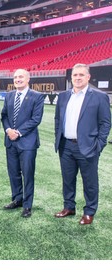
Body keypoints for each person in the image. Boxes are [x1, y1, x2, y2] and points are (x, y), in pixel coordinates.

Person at [54, 63, 111, 225]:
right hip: (66, 146)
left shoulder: (99, 97)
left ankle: (89, 212)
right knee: (68, 180)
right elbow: (58, 119)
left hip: (88, 147)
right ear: (71, 77)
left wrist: (99, 145)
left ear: (88, 77)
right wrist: (59, 139)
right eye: (75, 75)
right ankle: (69, 207)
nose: (77, 78)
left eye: (81, 75)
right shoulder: (64, 96)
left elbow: (106, 123)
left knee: (90, 182)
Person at [1, 69, 45, 218]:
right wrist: (8, 130)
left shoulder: (37, 96)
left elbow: (36, 119)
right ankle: (17, 199)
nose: (17, 79)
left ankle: (27, 205)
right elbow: (4, 115)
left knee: (27, 174)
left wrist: (18, 132)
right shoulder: (9, 95)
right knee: (13, 173)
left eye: (21, 77)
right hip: (10, 142)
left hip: (27, 142)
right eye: (15, 77)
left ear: (28, 79)